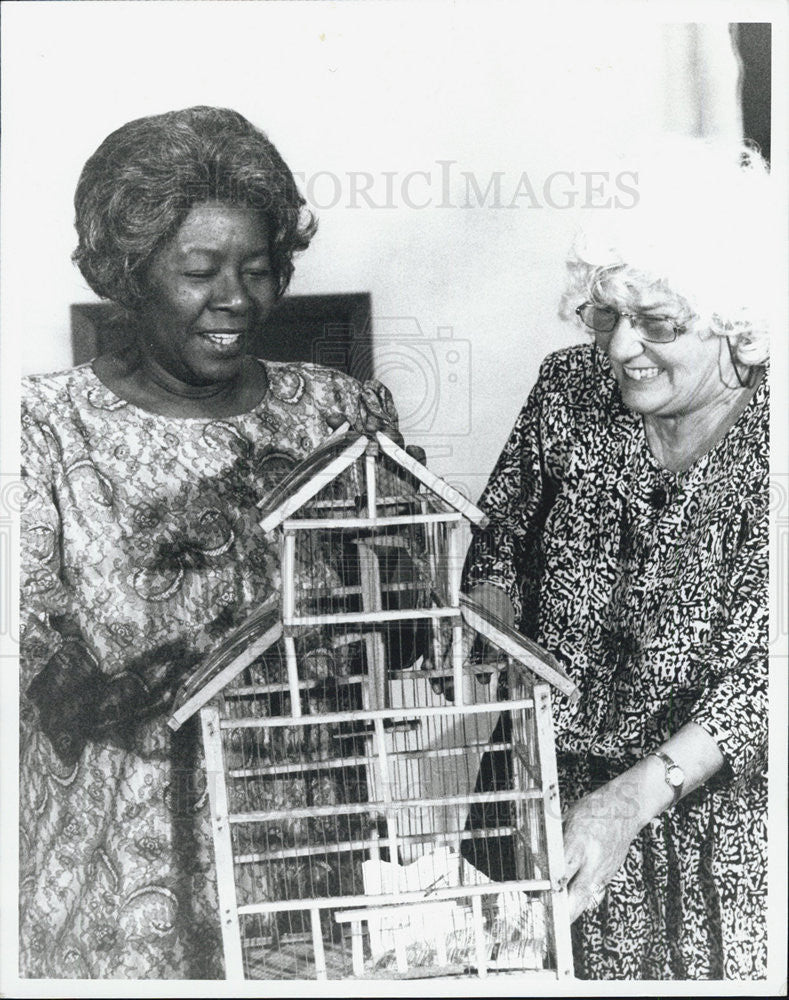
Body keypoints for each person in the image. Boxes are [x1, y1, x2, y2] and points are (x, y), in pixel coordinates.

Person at [19, 106, 399, 979]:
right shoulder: (39, 430)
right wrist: (224, 644)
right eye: (199, 271)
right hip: (118, 889)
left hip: (307, 864)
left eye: (258, 270)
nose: (235, 299)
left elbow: (399, 640)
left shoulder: (341, 413)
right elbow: (47, 690)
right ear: (130, 273)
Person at [462, 140, 772, 980]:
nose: (619, 349)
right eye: (605, 315)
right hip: (541, 799)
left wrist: (633, 796)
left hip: (717, 832)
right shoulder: (566, 394)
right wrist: (488, 642)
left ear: (736, 320)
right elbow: (496, 550)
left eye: (658, 323)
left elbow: (766, 680)